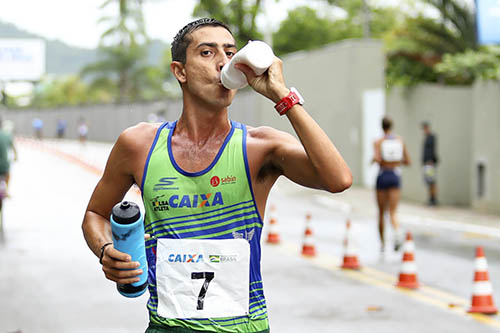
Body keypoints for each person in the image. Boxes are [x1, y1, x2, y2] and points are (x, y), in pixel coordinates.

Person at [82, 18, 352, 333]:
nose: (224, 61)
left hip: (245, 327)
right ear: (179, 71)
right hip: (166, 327)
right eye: (208, 53)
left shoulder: (259, 146)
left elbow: (338, 179)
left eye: (230, 52)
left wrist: (282, 94)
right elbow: (95, 213)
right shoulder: (139, 144)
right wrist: (105, 249)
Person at [372, 116, 410, 255]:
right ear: (392, 126)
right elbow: (407, 160)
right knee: (393, 211)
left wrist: (375, 160)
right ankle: (397, 231)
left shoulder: (378, 141)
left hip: (383, 176)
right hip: (395, 175)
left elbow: (377, 158)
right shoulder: (400, 140)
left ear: (381, 126)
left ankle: (382, 244)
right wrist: (397, 161)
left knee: (381, 212)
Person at [421, 121, 438, 206]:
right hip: (427, 163)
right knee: (428, 181)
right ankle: (430, 198)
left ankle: (433, 199)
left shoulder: (431, 137)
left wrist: (430, 160)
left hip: (429, 163)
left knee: (431, 181)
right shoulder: (427, 137)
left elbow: (432, 150)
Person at [0, 118, 18, 195]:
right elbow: (14, 148)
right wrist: (16, 157)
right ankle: (6, 191)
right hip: (4, 164)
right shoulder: (7, 135)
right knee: (7, 174)